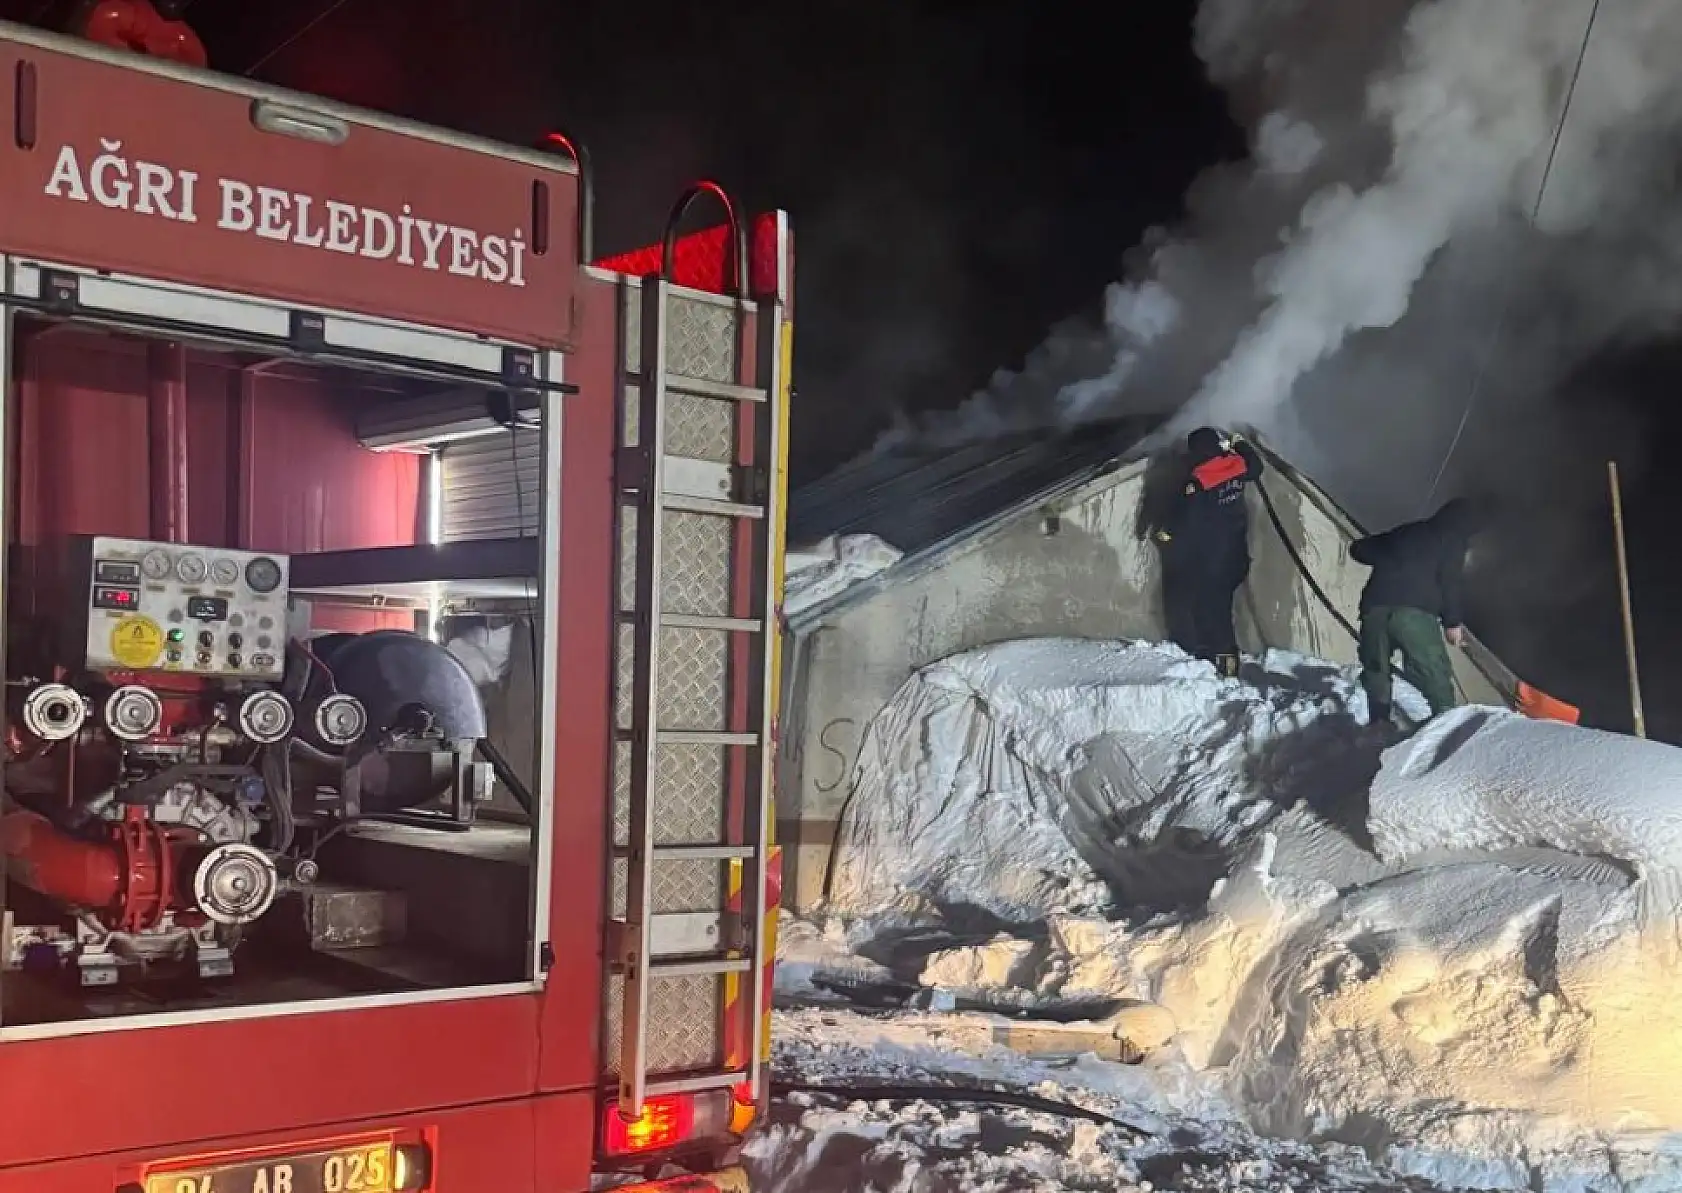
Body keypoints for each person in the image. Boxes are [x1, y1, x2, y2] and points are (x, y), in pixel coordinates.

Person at [1350, 497, 1484, 725]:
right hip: (1414, 614)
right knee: (1434, 674)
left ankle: (1378, 725)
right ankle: (1447, 728)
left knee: (1376, 671)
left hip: (1375, 609)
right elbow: (1449, 582)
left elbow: (1359, 549)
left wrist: (1394, 556)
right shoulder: (1452, 539)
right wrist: (1452, 623)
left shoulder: (1406, 532)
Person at [1154, 427, 1264, 679]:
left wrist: (1167, 533)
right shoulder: (1236, 465)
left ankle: (1226, 660)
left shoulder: (1199, 480)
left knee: (1213, 608)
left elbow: (1186, 517)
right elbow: (1256, 467)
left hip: (1214, 559)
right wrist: (1240, 443)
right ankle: (1213, 652)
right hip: (1237, 555)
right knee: (1213, 605)